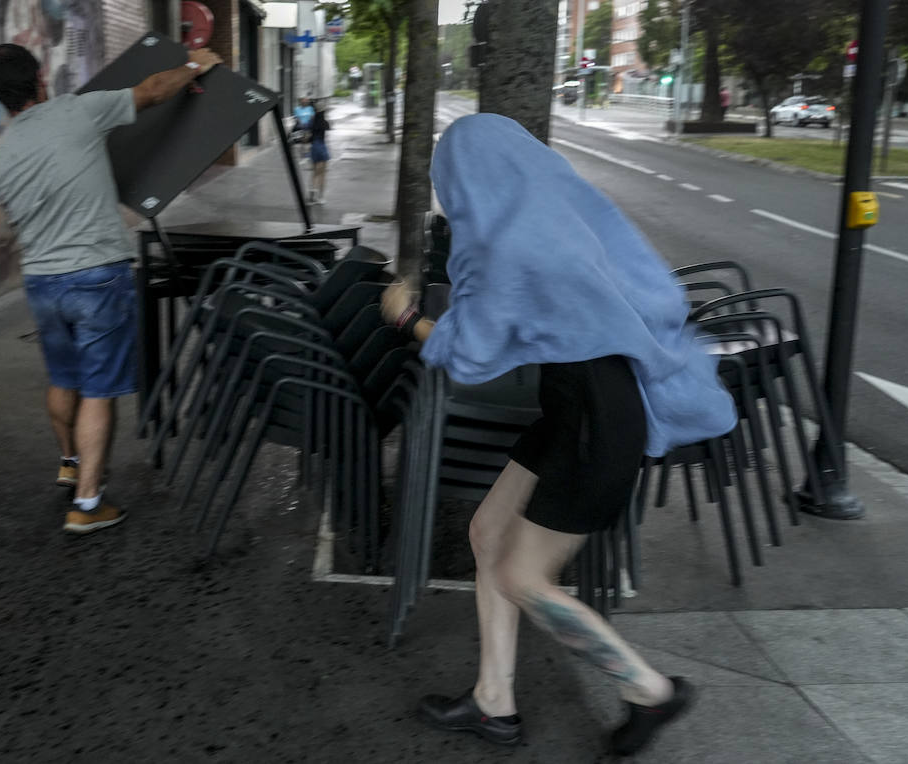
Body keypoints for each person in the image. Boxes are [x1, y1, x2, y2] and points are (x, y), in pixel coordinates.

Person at [381, 113, 736, 756]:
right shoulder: (558, 220)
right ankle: (494, 703)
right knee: (488, 533)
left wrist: (405, 318)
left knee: (523, 576)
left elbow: (471, 354)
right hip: (579, 412)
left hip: (593, 426)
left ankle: (650, 691)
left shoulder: (511, 244)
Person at [0, 42, 222, 535]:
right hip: (96, 275)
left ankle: (70, 463)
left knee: (63, 378)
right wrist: (197, 66)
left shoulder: (0, 157)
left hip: (42, 281)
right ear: (41, 79)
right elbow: (153, 90)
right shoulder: (76, 112)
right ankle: (88, 503)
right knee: (98, 390)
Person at [307, 103, 331, 205]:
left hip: (314, 148)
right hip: (322, 147)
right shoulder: (325, 123)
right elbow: (327, 136)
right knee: (322, 174)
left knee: (314, 173)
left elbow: (307, 137)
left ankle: (312, 198)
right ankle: (321, 198)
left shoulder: (311, 122)